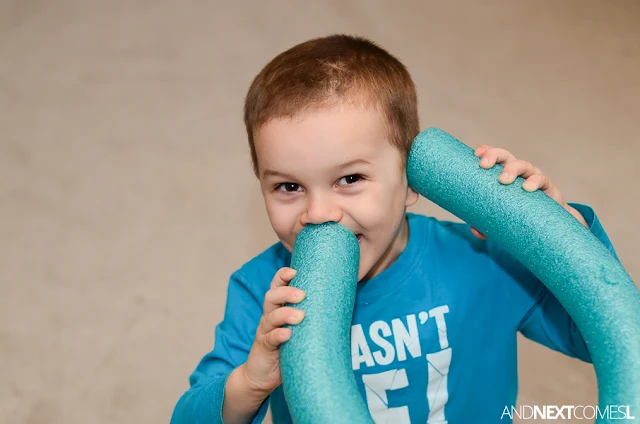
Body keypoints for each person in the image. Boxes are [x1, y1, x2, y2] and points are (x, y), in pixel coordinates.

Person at [171, 34, 619, 424]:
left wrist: (562, 235)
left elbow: (603, 339)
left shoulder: (483, 262)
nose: (319, 213)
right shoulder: (266, 295)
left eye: (350, 179)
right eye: (288, 186)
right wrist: (250, 381)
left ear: (410, 181)